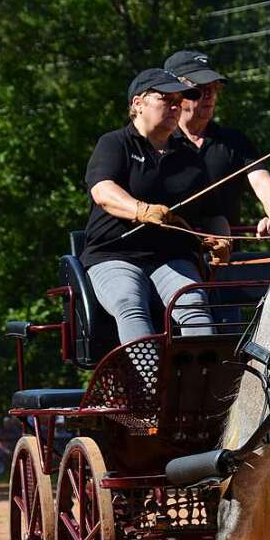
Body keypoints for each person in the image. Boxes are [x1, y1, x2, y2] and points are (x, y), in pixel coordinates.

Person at [82, 68, 220, 344]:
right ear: (137, 103)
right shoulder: (114, 143)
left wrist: (219, 238)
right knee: (128, 302)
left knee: (194, 305)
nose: (175, 106)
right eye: (165, 99)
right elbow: (103, 191)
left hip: (172, 257)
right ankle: (151, 384)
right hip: (114, 255)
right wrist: (141, 210)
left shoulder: (190, 158)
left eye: (178, 100)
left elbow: (211, 212)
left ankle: (205, 382)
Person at [164, 50, 270, 238]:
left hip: (227, 255)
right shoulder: (157, 142)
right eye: (200, 89)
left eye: (214, 88)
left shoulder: (233, 141)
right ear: (175, 93)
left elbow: (264, 182)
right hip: (172, 256)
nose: (210, 95)